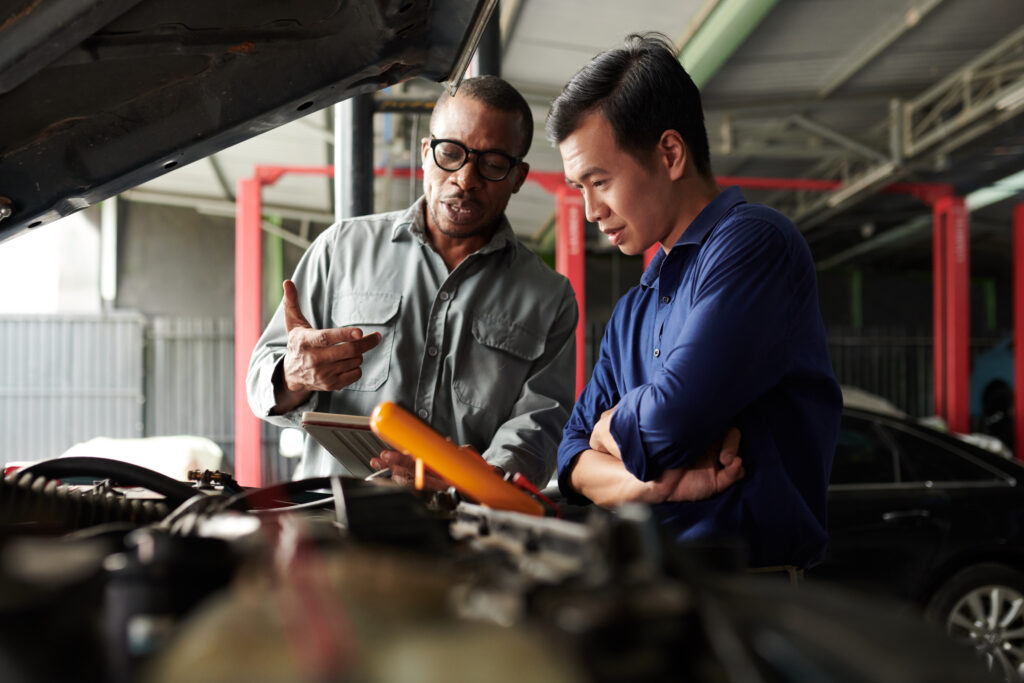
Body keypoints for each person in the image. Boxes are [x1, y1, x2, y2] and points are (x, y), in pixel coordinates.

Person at [546, 33, 842, 569]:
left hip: (751, 594)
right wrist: (652, 487)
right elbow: (568, 458)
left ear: (671, 153)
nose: (590, 210)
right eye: (577, 187)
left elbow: (667, 425)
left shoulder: (753, 244)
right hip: (650, 585)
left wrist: (606, 429)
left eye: (600, 181)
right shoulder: (634, 309)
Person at [247, 75, 579, 488]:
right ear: (426, 153)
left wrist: (470, 478)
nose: (465, 178)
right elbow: (261, 381)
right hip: (333, 524)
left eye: (492, 164)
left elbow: (539, 430)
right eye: (451, 153)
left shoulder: (550, 299)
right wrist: (292, 377)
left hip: (461, 535)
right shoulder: (340, 250)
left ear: (518, 177)